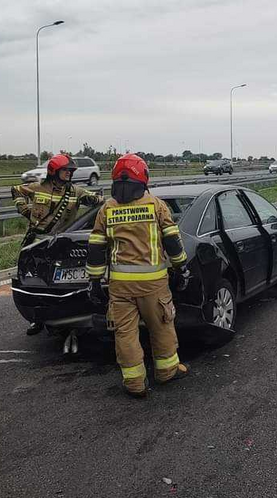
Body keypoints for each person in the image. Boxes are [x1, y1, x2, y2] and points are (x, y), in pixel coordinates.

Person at [85, 154, 189, 398]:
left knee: (125, 333)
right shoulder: (156, 205)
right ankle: (166, 372)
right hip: (153, 284)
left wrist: (94, 281)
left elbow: (96, 248)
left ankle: (135, 384)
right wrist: (181, 268)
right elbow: (173, 242)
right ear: (143, 177)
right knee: (161, 328)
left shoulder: (107, 209)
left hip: (120, 286)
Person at [11, 154, 103, 335]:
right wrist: (23, 209)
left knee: (63, 282)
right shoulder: (37, 187)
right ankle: (36, 319)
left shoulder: (76, 192)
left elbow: (97, 201)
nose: (69, 173)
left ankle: (68, 315)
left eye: (70, 171)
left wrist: (102, 200)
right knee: (36, 282)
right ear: (54, 171)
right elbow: (16, 190)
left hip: (62, 243)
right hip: (38, 241)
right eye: (65, 170)